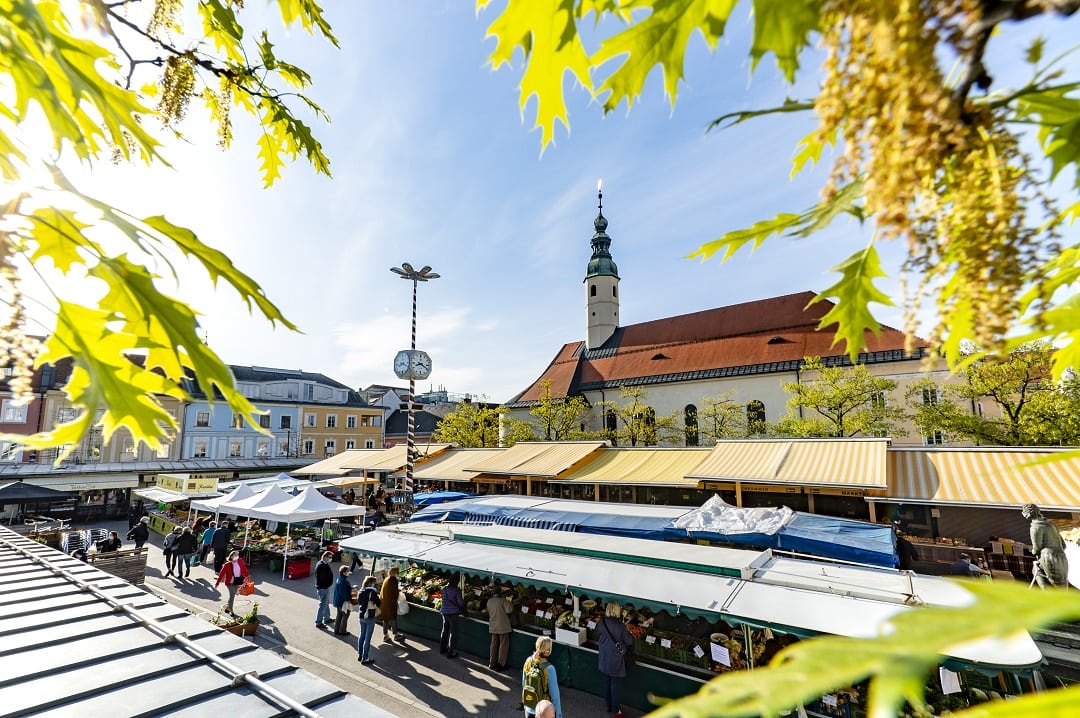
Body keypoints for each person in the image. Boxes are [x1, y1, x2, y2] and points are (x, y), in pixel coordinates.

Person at [597, 600, 634, 718]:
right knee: (614, 685)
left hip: (603, 657)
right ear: (617, 611)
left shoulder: (601, 622)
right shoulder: (621, 626)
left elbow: (598, 634)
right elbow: (629, 641)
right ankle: (616, 710)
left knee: (606, 682)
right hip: (615, 660)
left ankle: (608, 705)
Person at [1023, 503, 1070, 588]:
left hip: (1049, 557)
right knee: (1062, 586)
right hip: (1062, 557)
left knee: (1038, 572)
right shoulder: (1051, 524)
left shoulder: (1035, 527)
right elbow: (1063, 545)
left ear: (1028, 514)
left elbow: (1037, 548)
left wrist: (1032, 551)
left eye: (1024, 512)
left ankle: (1049, 596)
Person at [522, 636, 562, 718]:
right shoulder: (550, 669)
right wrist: (558, 715)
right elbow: (555, 696)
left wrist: (525, 704)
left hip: (529, 707)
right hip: (544, 713)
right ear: (548, 651)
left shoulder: (528, 661)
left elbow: (524, 684)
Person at [214, 549, 251, 615]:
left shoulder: (240, 561)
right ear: (231, 557)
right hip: (230, 583)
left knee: (234, 595)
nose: (237, 556)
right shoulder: (227, 565)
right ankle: (231, 610)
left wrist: (248, 575)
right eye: (235, 555)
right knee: (232, 595)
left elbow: (244, 569)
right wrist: (217, 583)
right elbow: (221, 574)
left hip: (237, 581)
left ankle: (228, 608)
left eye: (237, 555)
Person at [439, 573, 466, 657]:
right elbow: (461, 603)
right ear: (456, 582)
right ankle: (451, 652)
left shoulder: (444, 589)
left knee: (444, 630)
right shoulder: (456, 590)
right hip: (453, 613)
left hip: (444, 612)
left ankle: (442, 648)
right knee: (453, 632)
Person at [487, 584, 513, 670]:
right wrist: (508, 601)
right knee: (503, 645)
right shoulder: (503, 601)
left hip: (493, 625)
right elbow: (509, 610)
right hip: (503, 626)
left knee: (493, 644)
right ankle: (501, 664)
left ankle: (491, 663)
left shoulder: (489, 601)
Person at [355, 575, 381, 664]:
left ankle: (360, 654)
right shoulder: (372, 593)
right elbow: (379, 603)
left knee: (362, 635)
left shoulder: (361, 591)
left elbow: (359, 602)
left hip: (361, 615)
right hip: (370, 616)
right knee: (368, 637)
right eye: (374, 583)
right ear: (371, 583)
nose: (375, 585)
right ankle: (365, 657)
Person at [377, 566, 403, 641]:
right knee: (393, 618)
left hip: (384, 602)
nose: (398, 574)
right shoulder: (393, 580)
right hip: (390, 602)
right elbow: (395, 592)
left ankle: (385, 635)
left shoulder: (386, 579)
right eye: (397, 573)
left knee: (386, 619)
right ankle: (396, 634)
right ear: (395, 573)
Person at [314, 551, 335, 628]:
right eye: (329, 557)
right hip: (323, 588)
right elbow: (322, 578)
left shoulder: (324, 564)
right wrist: (326, 585)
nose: (330, 559)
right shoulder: (321, 565)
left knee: (326, 603)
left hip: (325, 587)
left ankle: (327, 618)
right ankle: (318, 622)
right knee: (323, 605)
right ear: (325, 557)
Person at [332, 565, 354, 635]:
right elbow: (343, 592)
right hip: (343, 602)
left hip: (338, 601)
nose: (348, 572)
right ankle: (342, 630)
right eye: (347, 571)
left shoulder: (339, 579)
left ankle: (336, 629)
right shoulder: (343, 581)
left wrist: (351, 588)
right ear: (344, 572)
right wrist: (348, 599)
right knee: (345, 615)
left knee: (339, 615)